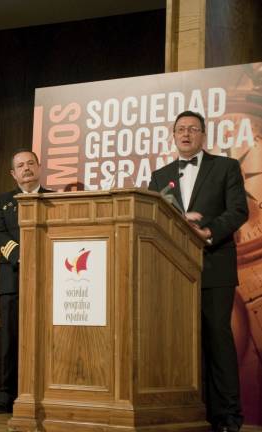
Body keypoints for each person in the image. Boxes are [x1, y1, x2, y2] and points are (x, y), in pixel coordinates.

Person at [149, 111, 248, 432]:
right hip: (174, 273)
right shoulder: (160, 175)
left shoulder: (226, 167)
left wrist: (207, 230)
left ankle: (228, 416)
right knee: (182, 344)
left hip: (214, 266)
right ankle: (191, 411)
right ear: (173, 135)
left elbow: (238, 211)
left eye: (193, 129)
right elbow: (155, 219)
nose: (186, 134)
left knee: (218, 339)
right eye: (180, 129)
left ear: (203, 135)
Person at [0, 149, 51, 414]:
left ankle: (46, 392)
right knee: (11, 339)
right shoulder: (2, 202)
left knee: (46, 337)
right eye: (20, 166)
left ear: (39, 167)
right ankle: (7, 394)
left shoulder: (54, 200)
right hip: (12, 280)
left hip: (48, 281)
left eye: (30, 163)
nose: (26, 168)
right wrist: (22, 256)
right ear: (13, 174)